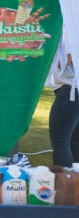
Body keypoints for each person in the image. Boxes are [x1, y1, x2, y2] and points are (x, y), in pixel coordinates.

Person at [48, 31, 79, 167]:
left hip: (70, 91)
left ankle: (65, 184)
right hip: (72, 90)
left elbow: (64, 62)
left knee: (60, 141)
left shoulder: (68, 27)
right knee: (73, 141)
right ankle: (74, 185)